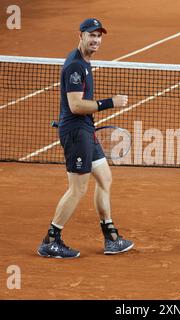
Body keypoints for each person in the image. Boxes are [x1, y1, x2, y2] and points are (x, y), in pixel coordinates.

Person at [37, 18, 134, 258]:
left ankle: (110, 237)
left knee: (104, 178)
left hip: (86, 130)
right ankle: (51, 239)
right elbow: (76, 105)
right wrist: (111, 102)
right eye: (91, 35)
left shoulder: (85, 63)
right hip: (77, 132)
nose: (96, 40)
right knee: (77, 188)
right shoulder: (75, 66)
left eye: (99, 36)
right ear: (80, 35)